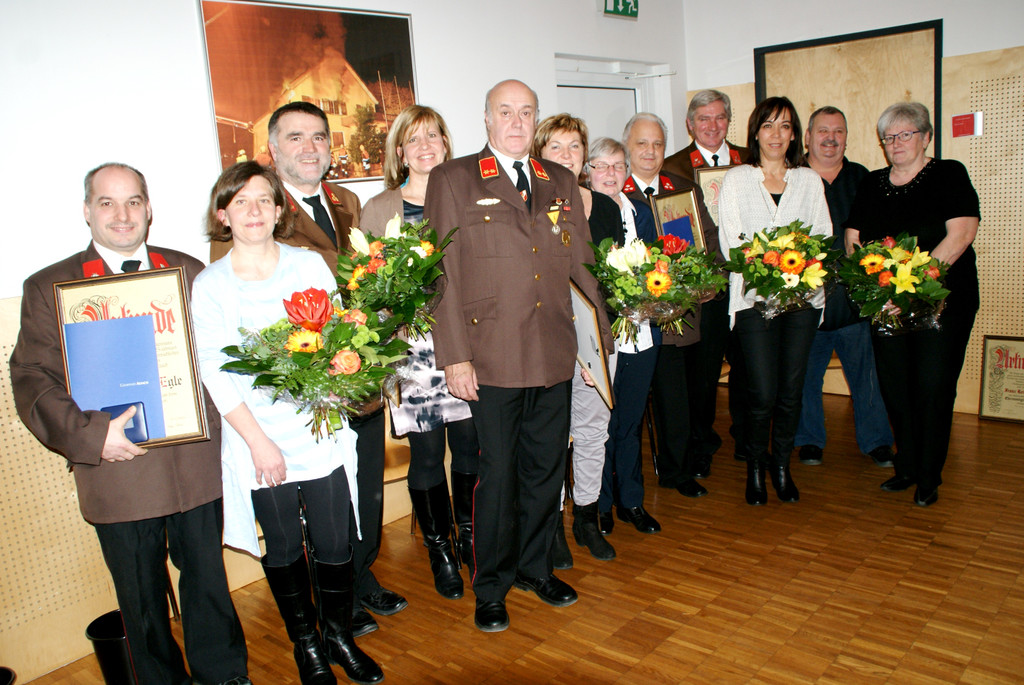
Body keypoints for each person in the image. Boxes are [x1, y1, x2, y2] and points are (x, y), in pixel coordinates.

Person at [10, 163, 250, 685]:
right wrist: (93, 436)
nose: (122, 215)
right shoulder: (50, 286)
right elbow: (31, 377)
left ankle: (225, 674)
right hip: (119, 470)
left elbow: (223, 355)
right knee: (141, 600)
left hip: (194, 464)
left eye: (133, 201)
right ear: (87, 211)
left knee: (208, 580)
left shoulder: (189, 270)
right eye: (107, 202)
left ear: (148, 208)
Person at [211, 101, 404, 636]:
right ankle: (329, 602)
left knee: (363, 487)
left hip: (356, 376)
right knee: (316, 508)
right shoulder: (257, 212)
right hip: (300, 397)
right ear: (273, 150)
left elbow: (363, 276)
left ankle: (359, 576)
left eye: (319, 136)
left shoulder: (346, 201)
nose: (310, 147)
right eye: (295, 137)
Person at [425, 79, 611, 632]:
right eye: (504, 111)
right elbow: (440, 275)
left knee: (545, 471)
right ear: (486, 119)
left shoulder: (559, 180)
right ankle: (491, 586)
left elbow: (582, 265)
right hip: (492, 356)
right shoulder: (454, 178)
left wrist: (596, 347)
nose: (516, 121)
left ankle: (535, 568)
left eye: (525, 112)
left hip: (554, 350)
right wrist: (454, 357)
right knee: (499, 476)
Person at [192, 162, 383, 685]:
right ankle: (307, 645)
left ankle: (339, 637)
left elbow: (339, 337)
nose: (253, 210)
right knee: (282, 547)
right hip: (256, 435)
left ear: (279, 209)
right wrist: (258, 443)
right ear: (223, 214)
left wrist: (338, 385)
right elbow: (215, 372)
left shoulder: (308, 265)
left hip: (317, 428)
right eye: (240, 201)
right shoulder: (210, 285)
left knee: (335, 541)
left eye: (263, 199)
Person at [360, 105, 479, 600]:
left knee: (471, 446)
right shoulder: (379, 208)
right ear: (400, 151)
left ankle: (471, 538)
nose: (426, 145)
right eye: (414, 139)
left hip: (469, 343)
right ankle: (440, 551)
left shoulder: (470, 196)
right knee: (428, 454)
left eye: (434, 135)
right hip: (412, 349)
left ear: (446, 144)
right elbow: (364, 286)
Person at [845, 102, 980, 507]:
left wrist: (910, 288)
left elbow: (961, 234)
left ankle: (928, 475)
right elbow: (854, 240)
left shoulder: (949, 174)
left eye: (906, 134)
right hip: (887, 304)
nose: (896, 143)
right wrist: (875, 289)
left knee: (933, 387)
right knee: (896, 387)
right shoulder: (872, 183)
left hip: (941, 302)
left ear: (926, 137)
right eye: (889, 137)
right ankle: (906, 466)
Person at [718, 96, 832, 506]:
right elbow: (732, 243)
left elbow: (821, 237)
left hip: (803, 301)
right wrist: (770, 273)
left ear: (795, 134)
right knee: (762, 392)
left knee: (790, 390)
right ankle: (755, 466)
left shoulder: (809, 180)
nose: (776, 134)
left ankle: (781, 466)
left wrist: (795, 275)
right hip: (752, 301)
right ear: (755, 132)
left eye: (785, 126)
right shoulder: (737, 180)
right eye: (768, 125)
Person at [534, 113, 619, 564]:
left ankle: (586, 517)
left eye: (574, 146)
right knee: (551, 435)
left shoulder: (604, 206)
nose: (566, 155)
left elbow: (615, 272)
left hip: (597, 335)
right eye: (556, 147)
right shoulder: (530, 205)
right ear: (539, 154)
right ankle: (552, 525)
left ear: (585, 155)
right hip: (549, 336)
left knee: (592, 431)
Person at [620, 112, 716, 500]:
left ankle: (677, 470)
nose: (651, 151)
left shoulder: (683, 189)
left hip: (683, 313)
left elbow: (708, 242)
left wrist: (707, 283)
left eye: (658, 144)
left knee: (681, 397)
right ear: (627, 147)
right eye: (642, 143)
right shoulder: (616, 191)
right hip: (638, 320)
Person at [795, 106, 894, 468]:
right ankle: (809, 440)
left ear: (847, 138)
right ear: (808, 137)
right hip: (808, 301)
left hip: (855, 302)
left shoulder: (863, 179)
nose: (831, 138)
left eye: (838, 131)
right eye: (823, 131)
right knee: (805, 377)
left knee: (868, 378)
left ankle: (877, 441)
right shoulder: (792, 177)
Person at [663, 89, 751, 471]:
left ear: (729, 120)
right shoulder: (672, 167)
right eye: (703, 118)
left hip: (748, 282)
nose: (712, 125)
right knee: (703, 372)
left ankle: (747, 437)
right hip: (708, 288)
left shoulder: (750, 160)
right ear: (690, 124)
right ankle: (702, 444)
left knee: (749, 366)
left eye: (719, 117)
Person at [588, 136, 663, 539]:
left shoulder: (643, 213)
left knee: (630, 423)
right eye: (601, 165)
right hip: (602, 337)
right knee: (600, 425)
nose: (610, 173)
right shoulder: (581, 217)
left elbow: (660, 265)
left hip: (642, 334)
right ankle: (600, 504)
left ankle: (631, 500)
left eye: (618, 165)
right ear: (588, 173)